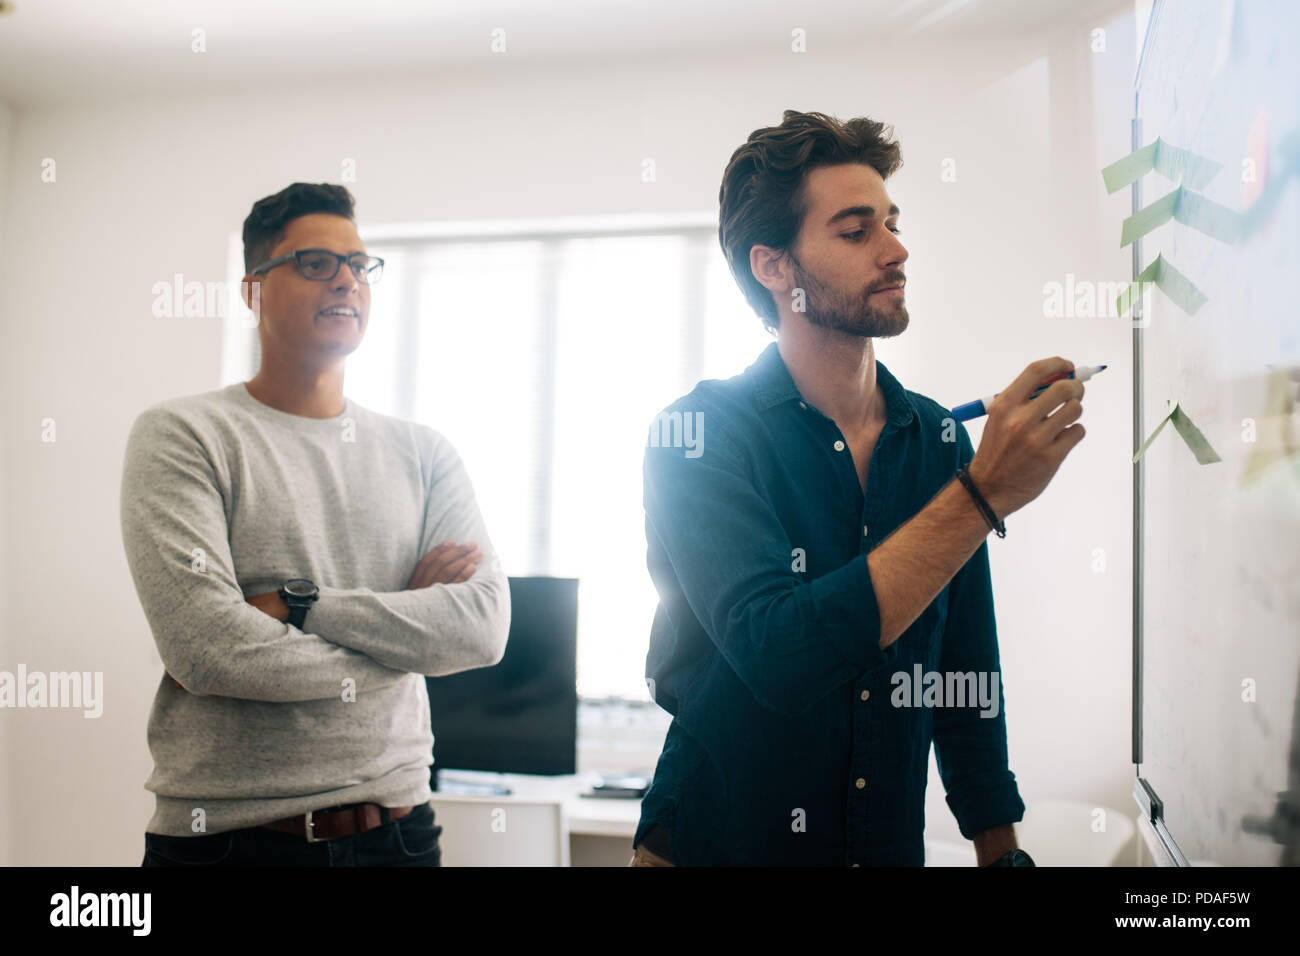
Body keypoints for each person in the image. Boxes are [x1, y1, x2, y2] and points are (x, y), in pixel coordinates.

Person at [630, 110, 1085, 866]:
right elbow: (778, 653)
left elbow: (964, 669)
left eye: (892, 223)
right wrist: (979, 498)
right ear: (774, 267)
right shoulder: (697, 437)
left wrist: (1001, 852)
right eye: (856, 230)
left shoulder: (939, 441)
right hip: (719, 843)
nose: (897, 250)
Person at [120, 182, 510, 866]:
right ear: (253, 290)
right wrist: (409, 635)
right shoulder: (183, 434)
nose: (348, 281)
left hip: (399, 836)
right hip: (231, 845)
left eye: (360, 265)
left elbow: (479, 629)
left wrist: (299, 605)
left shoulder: (424, 453)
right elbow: (207, 650)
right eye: (316, 263)